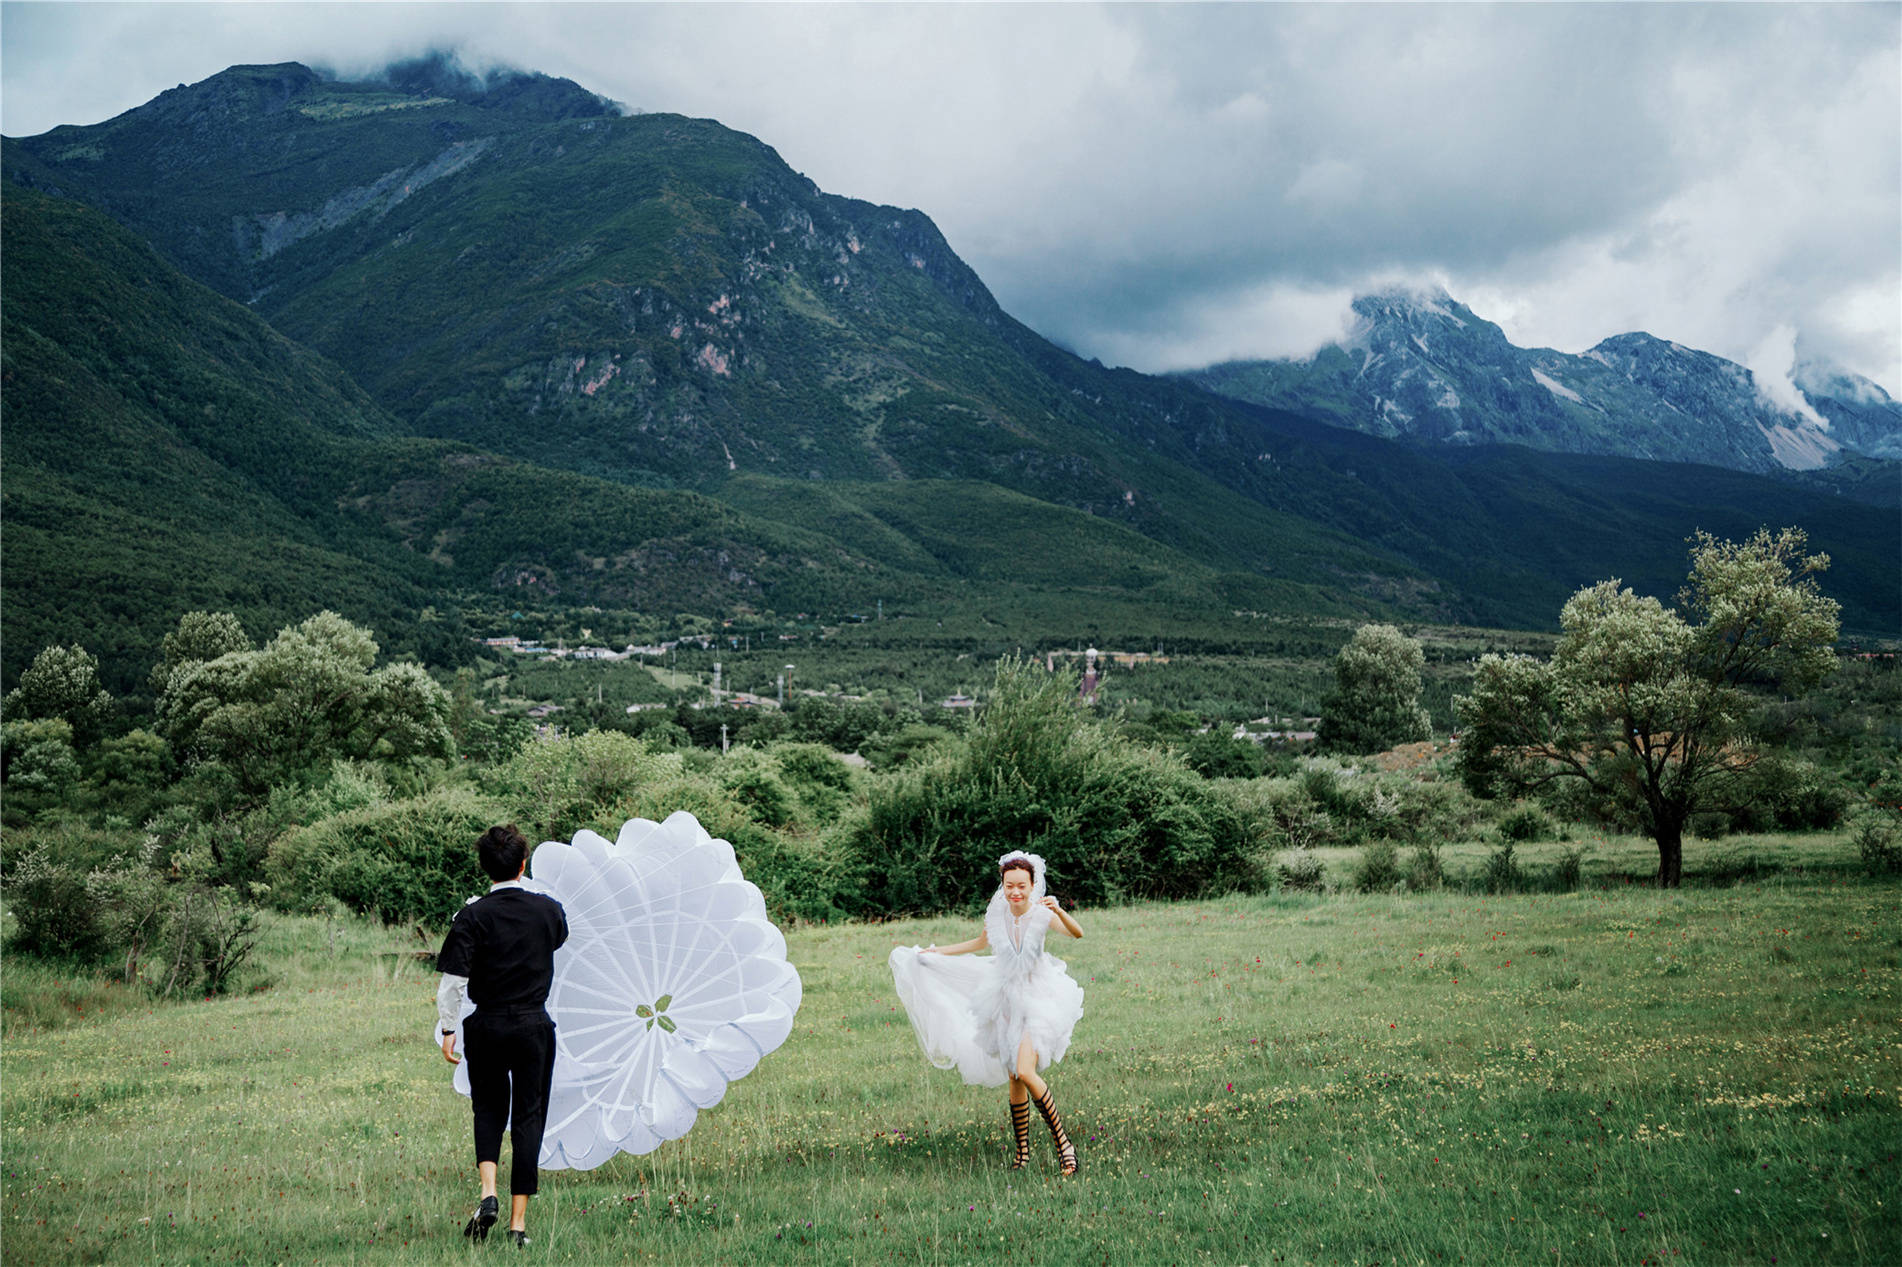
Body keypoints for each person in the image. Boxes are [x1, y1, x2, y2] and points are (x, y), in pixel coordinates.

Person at [888, 851, 1086, 1174]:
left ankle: (1065, 1146)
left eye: (1022, 886)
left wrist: (1060, 910)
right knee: (1013, 1075)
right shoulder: (997, 915)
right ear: (1003, 885)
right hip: (1004, 999)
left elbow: (1077, 933)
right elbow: (980, 942)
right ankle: (1022, 1152)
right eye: (1009, 886)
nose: (1015, 893)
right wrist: (938, 953)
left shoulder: (1041, 915)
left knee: (1025, 1069)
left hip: (1037, 998)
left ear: (1033, 885)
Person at [436, 825, 569, 1245]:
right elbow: (559, 939)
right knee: (529, 1116)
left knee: (489, 1109)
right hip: (533, 1025)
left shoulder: (471, 917)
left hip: (487, 1025)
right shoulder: (548, 910)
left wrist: (448, 1029)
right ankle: (517, 1226)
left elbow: (453, 983)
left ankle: (488, 1192)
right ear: (523, 864)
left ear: (484, 868)